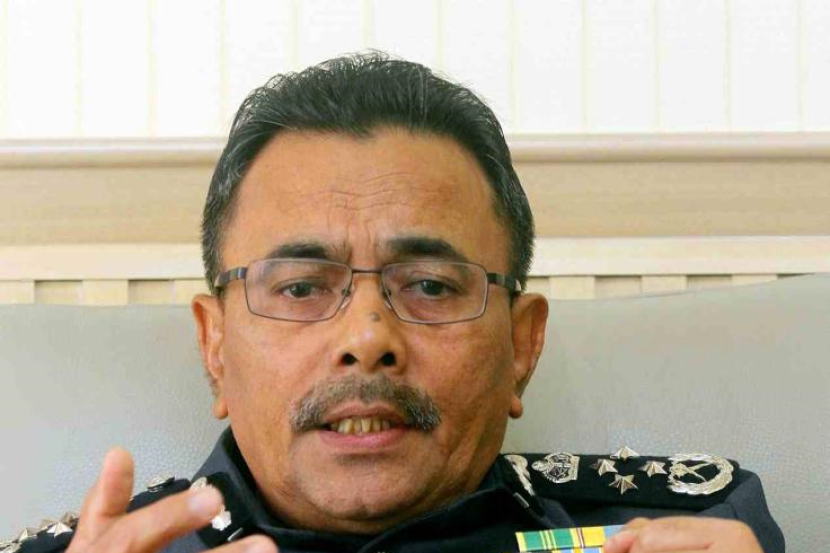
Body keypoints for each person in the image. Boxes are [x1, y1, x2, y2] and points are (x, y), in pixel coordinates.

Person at [9, 52, 783, 553]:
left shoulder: (687, 527)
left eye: (431, 286)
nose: (368, 334)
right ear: (215, 348)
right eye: (302, 287)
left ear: (522, 346)